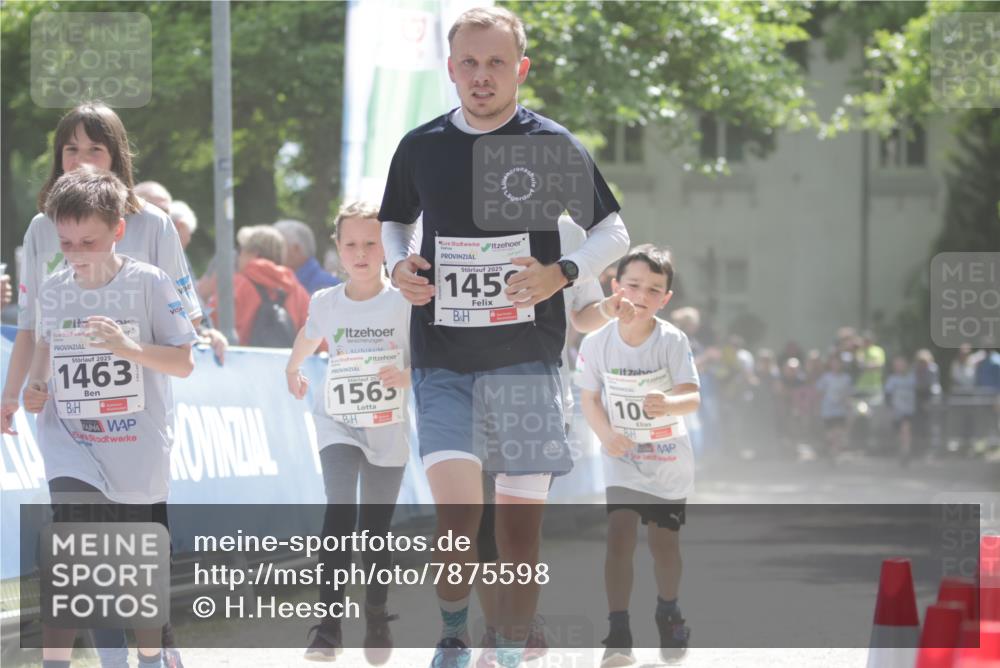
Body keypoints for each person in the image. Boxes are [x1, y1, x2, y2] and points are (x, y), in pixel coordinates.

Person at [379, 7, 629, 667]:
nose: (482, 77)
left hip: (526, 362)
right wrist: (396, 266)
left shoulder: (551, 144)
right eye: (469, 63)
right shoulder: (421, 145)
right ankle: (455, 638)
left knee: (518, 537)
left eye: (496, 63)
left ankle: (511, 650)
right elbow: (393, 221)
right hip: (444, 361)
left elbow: (614, 232)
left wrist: (561, 273)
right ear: (452, 68)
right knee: (459, 520)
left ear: (520, 69)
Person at [22, 167, 196, 668]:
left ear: (118, 230)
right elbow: (45, 347)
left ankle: (148, 657)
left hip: (136, 442)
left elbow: (184, 362)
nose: (76, 253)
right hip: (70, 441)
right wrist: (37, 387)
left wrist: (128, 348)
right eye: (66, 242)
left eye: (88, 241)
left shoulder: (150, 283)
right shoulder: (55, 288)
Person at [474, 215, 634, 667]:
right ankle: (500, 628)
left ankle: (516, 624)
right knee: (483, 526)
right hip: (470, 395)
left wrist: (609, 309)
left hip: (539, 398)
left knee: (517, 531)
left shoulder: (569, 234)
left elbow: (582, 315)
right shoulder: (461, 219)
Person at [3, 103, 200, 437]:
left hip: (139, 417)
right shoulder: (40, 228)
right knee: (73, 489)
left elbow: (187, 318)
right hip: (65, 417)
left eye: (95, 149)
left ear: (116, 157)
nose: (81, 159)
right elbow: (30, 326)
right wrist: (11, 394)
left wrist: (122, 342)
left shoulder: (153, 223)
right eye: (71, 149)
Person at [284, 202, 410, 665]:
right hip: (337, 419)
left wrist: (407, 375)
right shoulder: (326, 301)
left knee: (375, 530)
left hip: (387, 429)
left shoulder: (404, 302)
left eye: (371, 244)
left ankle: (376, 614)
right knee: (339, 513)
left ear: (386, 249)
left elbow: (429, 360)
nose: (361, 253)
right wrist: (293, 366)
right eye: (351, 244)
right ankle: (328, 625)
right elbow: (309, 333)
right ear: (337, 248)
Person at [575, 246, 700, 666]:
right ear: (615, 287)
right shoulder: (597, 342)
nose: (641, 295)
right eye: (633, 285)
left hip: (666, 456)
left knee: (664, 547)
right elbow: (589, 398)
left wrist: (667, 403)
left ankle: (669, 609)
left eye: (653, 289)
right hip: (622, 455)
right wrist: (606, 435)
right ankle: (618, 630)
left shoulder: (671, 340)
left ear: (665, 299)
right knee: (619, 537)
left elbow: (692, 396)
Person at [213, 225, 309, 346]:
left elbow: (211, 323)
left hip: (239, 362)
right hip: (285, 363)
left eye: (241, 251)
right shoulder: (298, 293)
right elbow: (317, 340)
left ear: (254, 254)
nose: (238, 257)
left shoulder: (236, 285)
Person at [273, 219, 342, 294]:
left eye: (277, 247)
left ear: (295, 249)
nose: (272, 252)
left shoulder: (327, 286)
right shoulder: (284, 282)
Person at [814, 354, 852, 464]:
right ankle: (831, 449)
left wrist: (848, 406)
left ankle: (834, 454)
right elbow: (819, 392)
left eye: (838, 363)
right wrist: (817, 406)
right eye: (833, 363)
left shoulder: (846, 378)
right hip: (828, 410)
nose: (836, 366)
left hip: (840, 410)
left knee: (838, 432)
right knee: (830, 434)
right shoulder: (826, 378)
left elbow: (848, 394)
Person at [884, 354, 917, 466]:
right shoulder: (892, 379)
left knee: (906, 430)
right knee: (900, 434)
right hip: (897, 410)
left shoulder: (912, 378)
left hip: (908, 411)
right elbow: (888, 395)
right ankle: (902, 451)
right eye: (897, 365)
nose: (899, 367)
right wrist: (890, 410)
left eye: (901, 364)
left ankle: (906, 451)